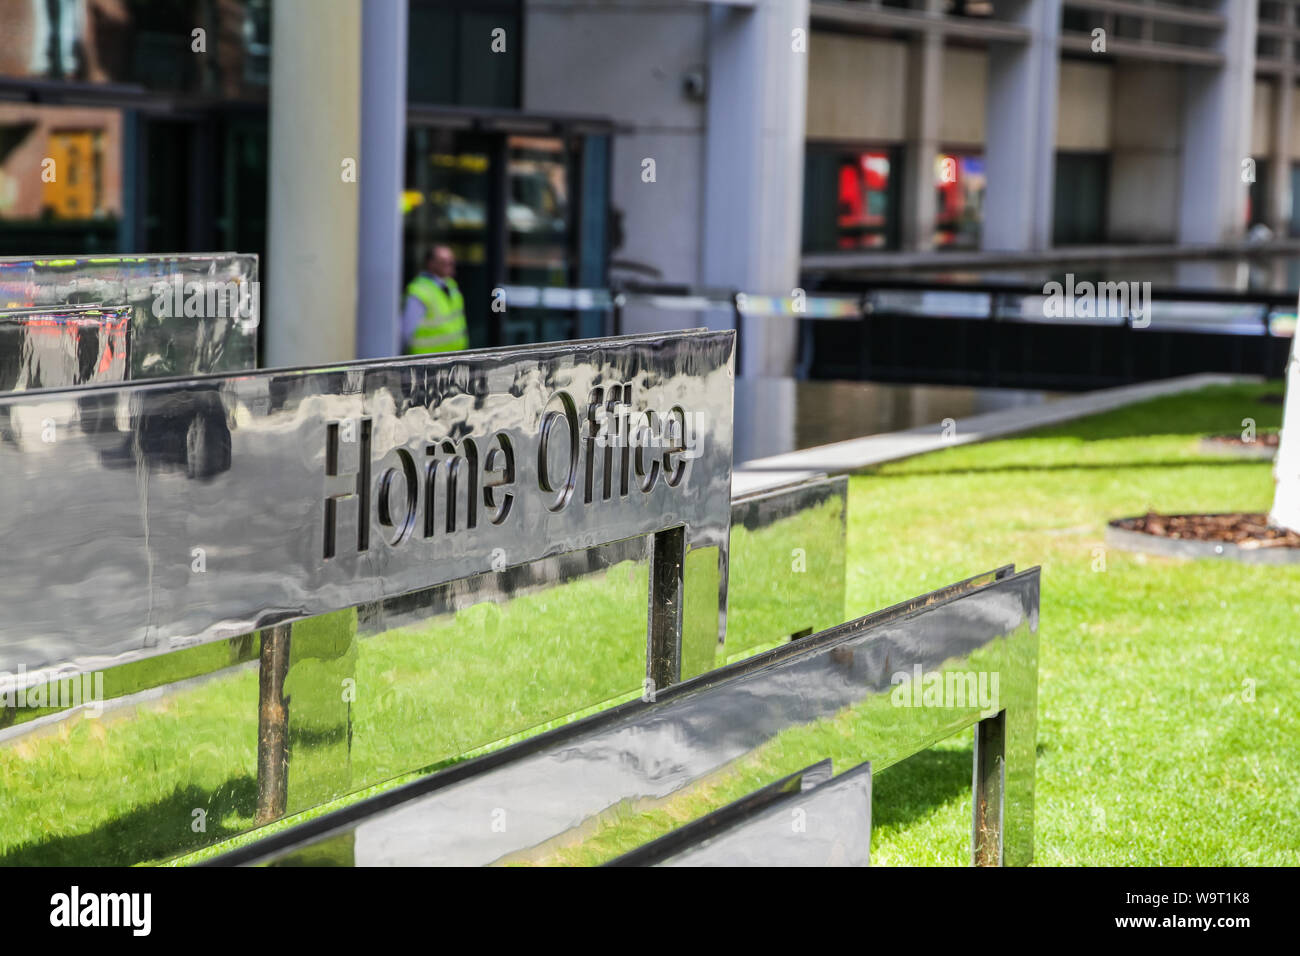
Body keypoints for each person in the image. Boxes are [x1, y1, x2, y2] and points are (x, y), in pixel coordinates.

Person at [402, 244, 468, 354]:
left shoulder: (451, 286)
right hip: (426, 362)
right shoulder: (419, 290)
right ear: (430, 263)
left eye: (451, 261)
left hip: (453, 358)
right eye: (444, 261)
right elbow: (406, 331)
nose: (449, 265)